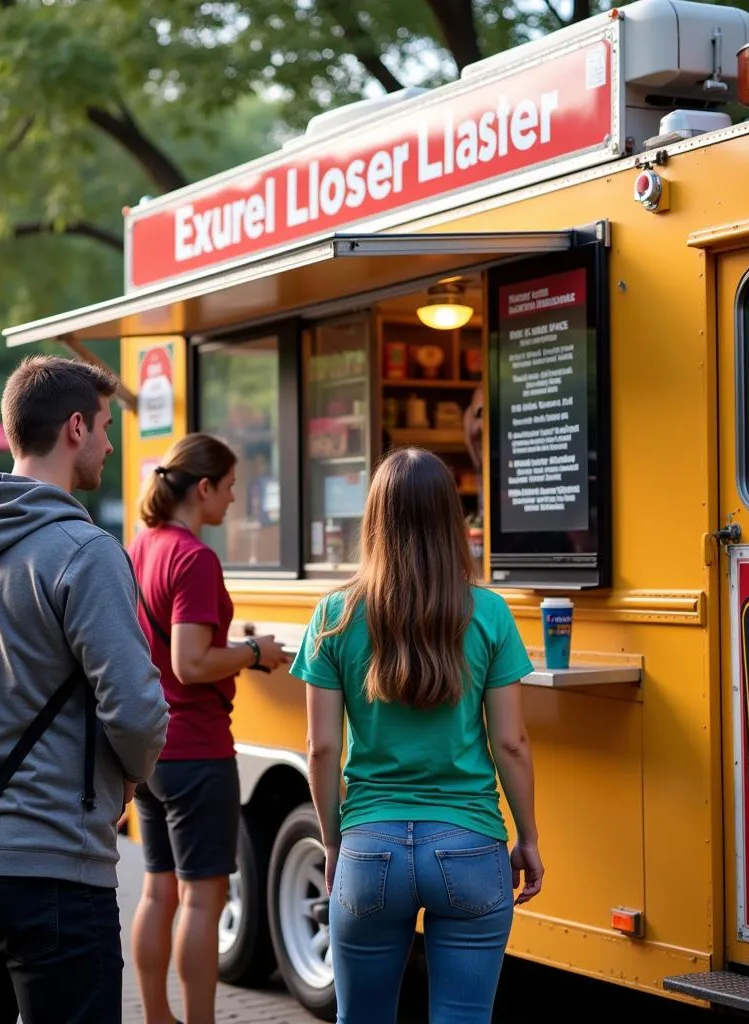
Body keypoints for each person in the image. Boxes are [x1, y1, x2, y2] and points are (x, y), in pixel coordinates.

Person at [0, 355, 169, 1024]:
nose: (112, 444)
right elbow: (137, 711)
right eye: (108, 427)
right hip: (54, 865)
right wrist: (130, 779)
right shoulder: (85, 553)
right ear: (75, 428)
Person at [291, 447, 544, 1024]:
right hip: (471, 845)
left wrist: (334, 841)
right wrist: (527, 837)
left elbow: (322, 747)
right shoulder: (490, 614)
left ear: (374, 520)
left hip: (369, 846)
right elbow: (511, 743)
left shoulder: (333, 615)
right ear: (450, 521)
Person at [127, 433, 288, 1024]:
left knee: (157, 890)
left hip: (150, 747)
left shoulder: (141, 546)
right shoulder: (194, 558)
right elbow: (191, 662)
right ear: (203, 488)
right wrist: (252, 650)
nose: (235, 499)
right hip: (196, 747)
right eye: (230, 486)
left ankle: (156, 1016)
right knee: (202, 895)